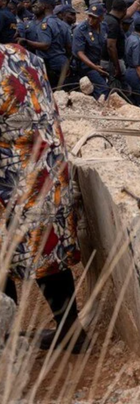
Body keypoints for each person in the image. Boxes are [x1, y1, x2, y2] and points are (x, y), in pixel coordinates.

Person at [0, 44, 88, 354]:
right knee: (48, 257)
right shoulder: (22, 54)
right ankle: (70, 332)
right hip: (48, 173)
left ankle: (6, 344)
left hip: (15, 184)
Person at [73, 3, 109, 98]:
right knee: (103, 89)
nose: (91, 19)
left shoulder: (104, 27)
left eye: (94, 17)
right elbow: (80, 53)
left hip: (97, 62)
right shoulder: (81, 30)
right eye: (89, 16)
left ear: (101, 18)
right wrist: (94, 67)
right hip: (85, 66)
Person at [124, 18, 140, 107]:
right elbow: (138, 65)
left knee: (133, 102)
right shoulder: (139, 43)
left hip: (129, 71)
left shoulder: (130, 38)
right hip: (137, 74)